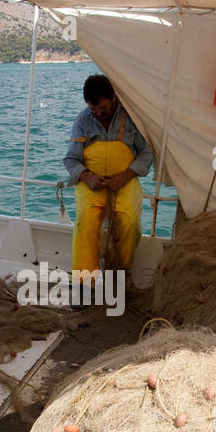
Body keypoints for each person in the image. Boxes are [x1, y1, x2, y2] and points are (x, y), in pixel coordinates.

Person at [63, 75, 153, 280]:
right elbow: (70, 159)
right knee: (86, 222)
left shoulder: (131, 116)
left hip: (125, 180)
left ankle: (120, 274)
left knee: (128, 219)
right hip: (91, 184)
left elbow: (146, 153)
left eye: (102, 108)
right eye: (93, 109)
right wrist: (87, 177)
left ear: (113, 97)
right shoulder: (82, 120)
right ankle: (85, 284)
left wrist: (124, 176)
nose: (98, 113)